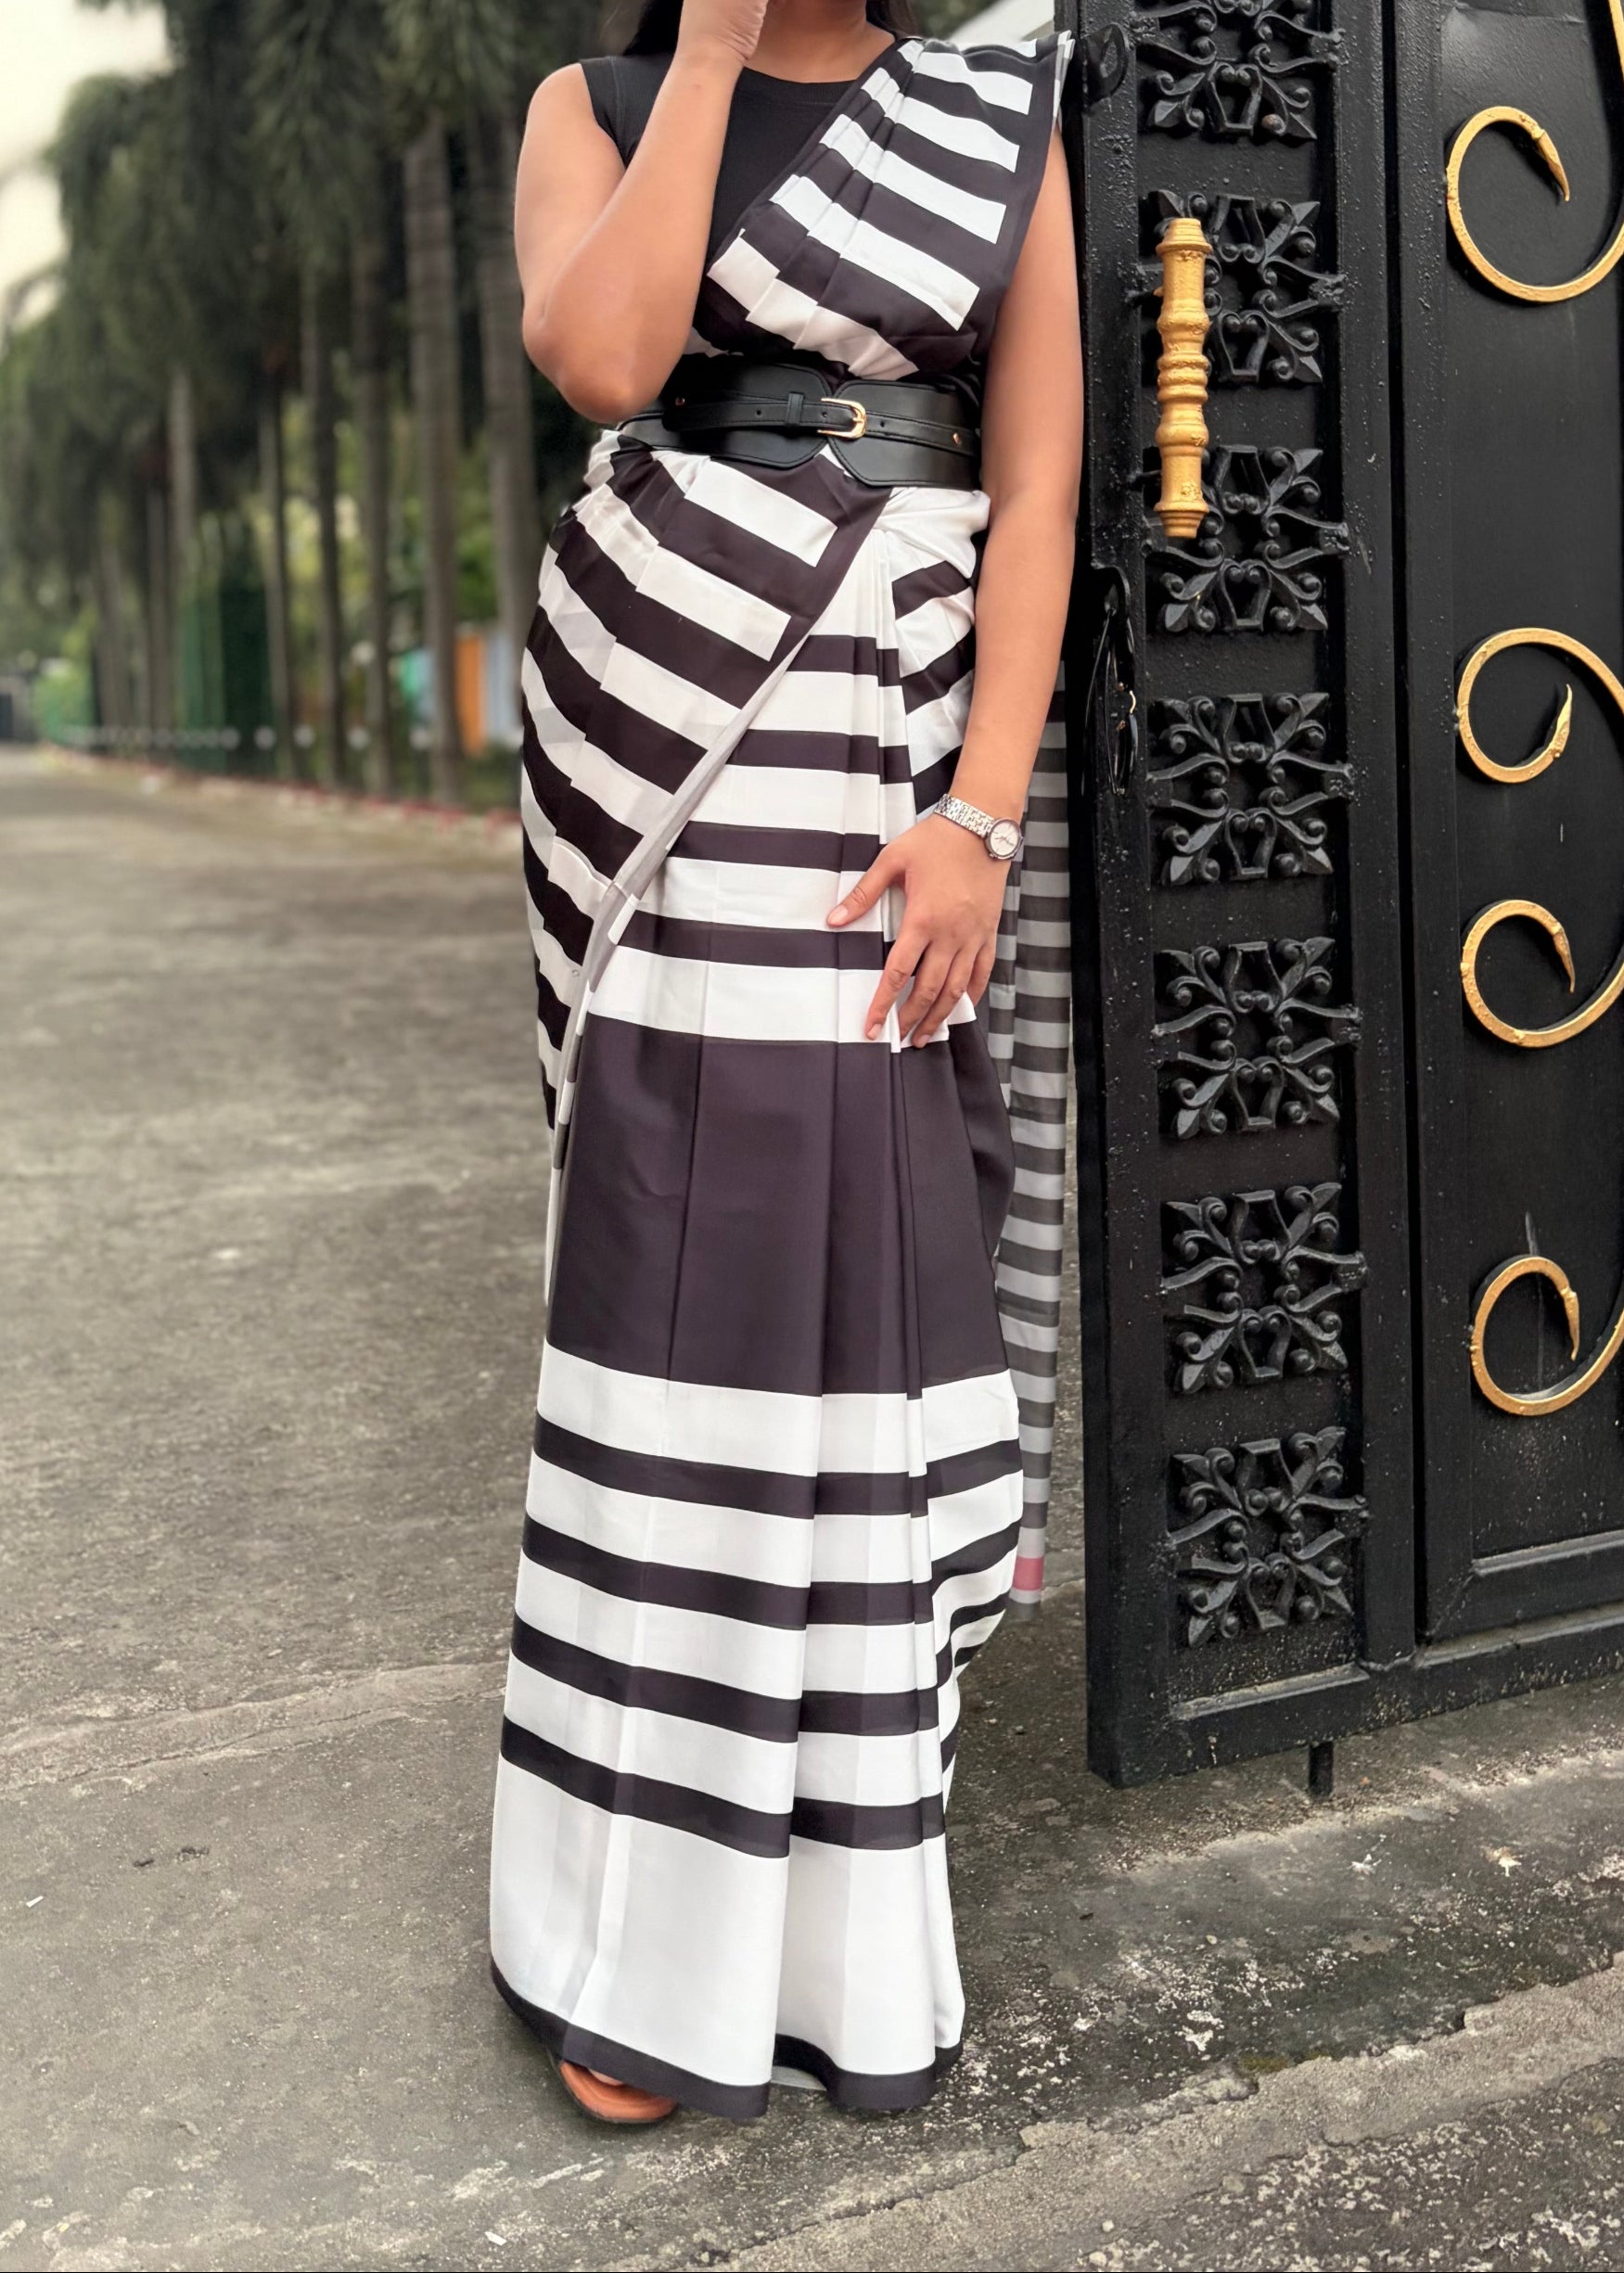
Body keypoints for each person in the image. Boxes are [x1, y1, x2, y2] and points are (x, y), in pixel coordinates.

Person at [490, 0, 1082, 2126]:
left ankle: (841, 1924)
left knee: (867, 1292)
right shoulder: (599, 104)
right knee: (680, 1283)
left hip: (895, 763)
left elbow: (1036, 491)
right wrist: (718, 57)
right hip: (668, 715)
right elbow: (608, 361)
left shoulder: (998, 110)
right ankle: (634, 1938)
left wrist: (983, 817)